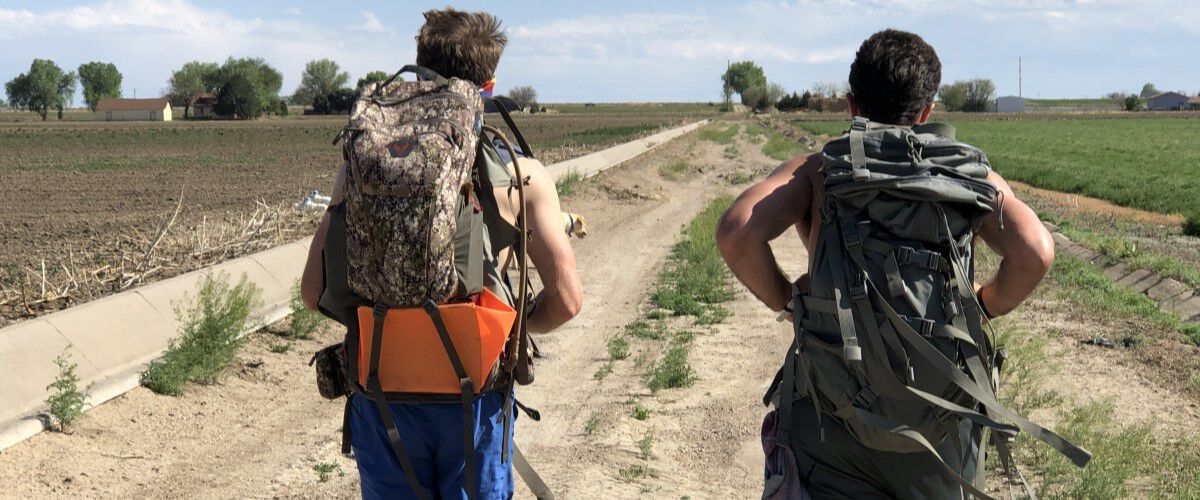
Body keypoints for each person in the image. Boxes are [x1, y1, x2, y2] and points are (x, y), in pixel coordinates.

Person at [715, 30, 1064, 498]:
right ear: (927, 112)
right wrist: (983, 307)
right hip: (940, 434)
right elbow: (1036, 252)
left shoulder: (819, 171)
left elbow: (737, 232)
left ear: (850, 105)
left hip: (832, 423)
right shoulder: (966, 176)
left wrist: (790, 302)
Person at [300, 8, 582, 499]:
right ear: (488, 84)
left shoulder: (362, 168)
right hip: (472, 395)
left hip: (380, 387)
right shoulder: (524, 176)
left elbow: (312, 292)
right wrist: (514, 325)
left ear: (417, 70)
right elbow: (567, 301)